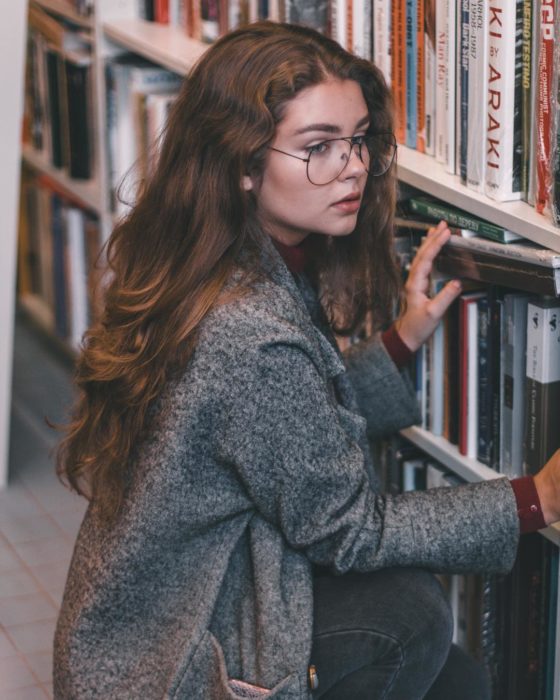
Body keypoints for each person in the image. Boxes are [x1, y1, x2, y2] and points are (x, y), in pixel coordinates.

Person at [53, 21, 560, 700]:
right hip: (163, 658)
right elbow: (347, 530)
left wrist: (399, 342)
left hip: (144, 616)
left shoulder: (212, 260)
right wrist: (535, 499)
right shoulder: (247, 332)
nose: (351, 166)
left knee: (460, 681)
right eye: (318, 147)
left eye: (356, 141)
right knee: (409, 617)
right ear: (241, 163)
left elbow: (274, 428)